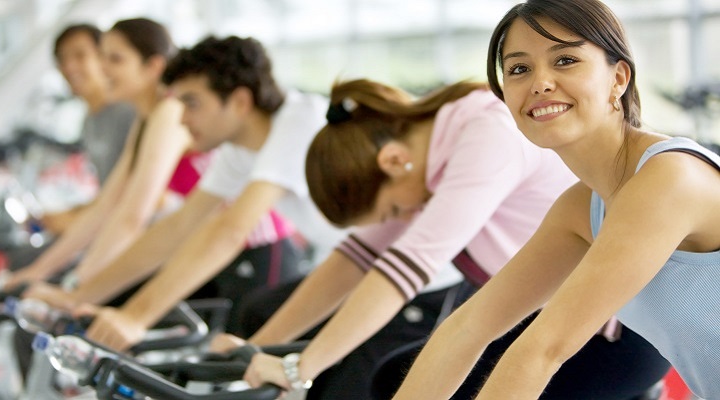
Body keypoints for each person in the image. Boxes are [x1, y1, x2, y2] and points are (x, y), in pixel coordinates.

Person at [236, 77, 670, 399]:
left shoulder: (487, 133)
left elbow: (402, 270)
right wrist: (257, 349)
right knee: (392, 376)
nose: (403, 218)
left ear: (391, 160)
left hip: (617, 336)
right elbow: (354, 259)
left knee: (409, 381)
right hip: (545, 320)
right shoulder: (429, 150)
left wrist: (298, 369)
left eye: (392, 211)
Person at [393, 0, 720, 399]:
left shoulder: (670, 178)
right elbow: (466, 329)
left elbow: (543, 349)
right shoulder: (582, 207)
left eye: (565, 60)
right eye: (518, 69)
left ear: (618, 78)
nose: (540, 82)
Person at [24, 35, 344, 348]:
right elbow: (178, 226)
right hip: (355, 259)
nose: (182, 118)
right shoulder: (238, 151)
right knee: (248, 336)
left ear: (240, 102)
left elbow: (230, 231)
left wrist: (135, 317)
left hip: (366, 265)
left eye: (192, 103)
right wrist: (78, 296)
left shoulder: (299, 120)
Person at [4, 18, 190, 290]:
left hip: (188, 259)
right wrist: (40, 271)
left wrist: (77, 284)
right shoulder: (144, 119)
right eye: (102, 57)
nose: (102, 68)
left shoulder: (168, 113)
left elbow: (131, 215)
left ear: (153, 66)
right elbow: (107, 204)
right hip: (159, 252)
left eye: (115, 59)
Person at [38, 23, 135, 234]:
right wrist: (71, 214)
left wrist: (76, 220)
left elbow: (137, 193)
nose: (69, 67)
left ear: (104, 59)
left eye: (80, 56)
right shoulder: (89, 122)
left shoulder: (127, 113)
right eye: (62, 60)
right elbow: (109, 192)